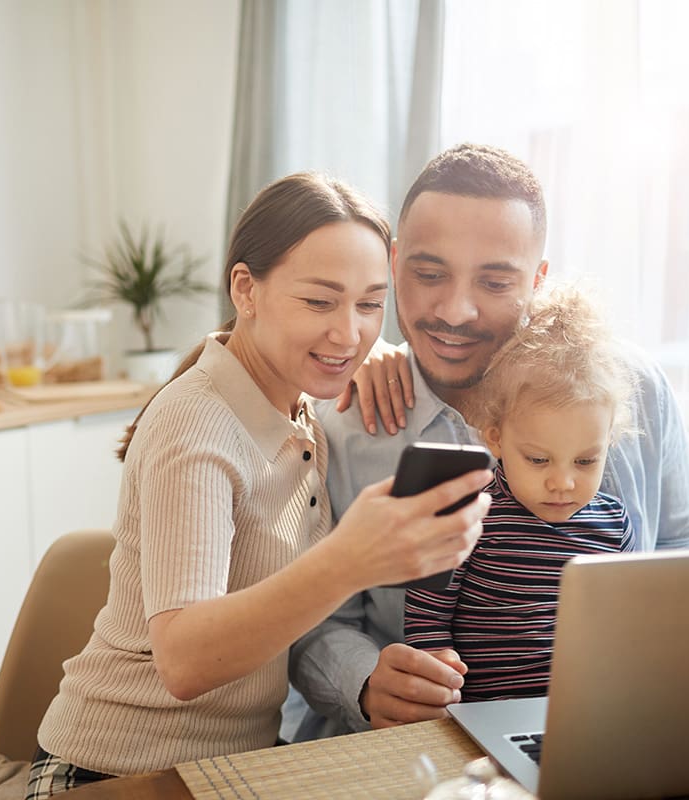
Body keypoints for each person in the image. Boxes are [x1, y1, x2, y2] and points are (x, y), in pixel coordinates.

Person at [26, 172, 493, 798]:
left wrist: (377, 350)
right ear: (246, 289)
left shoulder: (298, 411)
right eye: (319, 302)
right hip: (114, 773)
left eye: (370, 304)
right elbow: (185, 662)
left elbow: (347, 336)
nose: (348, 332)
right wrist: (349, 560)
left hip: (233, 767)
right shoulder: (196, 423)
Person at [288, 143, 689, 739]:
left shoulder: (632, 388)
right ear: (393, 263)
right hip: (403, 749)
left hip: (596, 731)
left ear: (538, 280)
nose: (456, 311)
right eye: (429, 274)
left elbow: (687, 544)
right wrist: (364, 681)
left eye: (494, 281)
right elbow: (311, 623)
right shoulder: (339, 423)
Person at [404, 283, 637, 701]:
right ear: (495, 438)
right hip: (477, 714)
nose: (563, 483)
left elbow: (622, 625)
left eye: (585, 462)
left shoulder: (614, 526)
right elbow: (427, 616)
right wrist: (436, 672)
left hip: (573, 714)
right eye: (538, 460)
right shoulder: (468, 514)